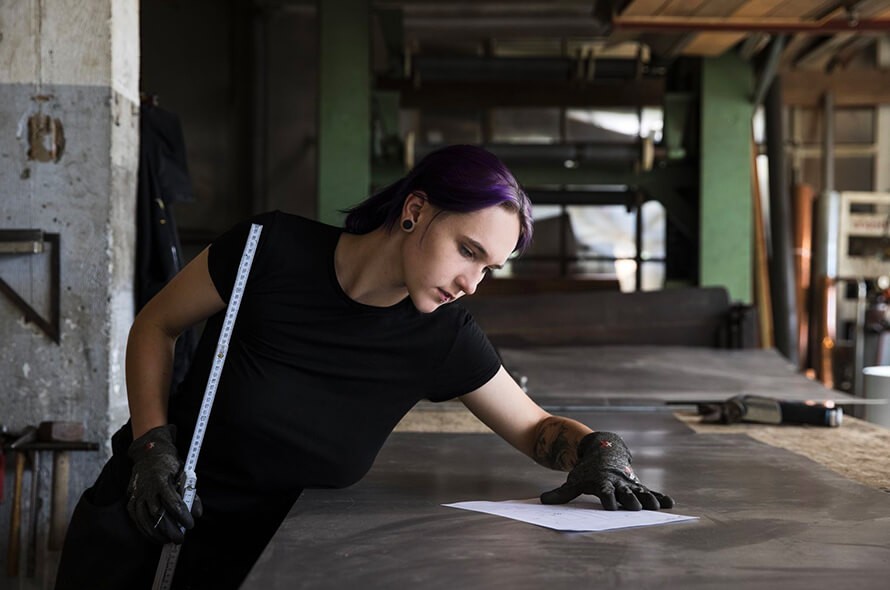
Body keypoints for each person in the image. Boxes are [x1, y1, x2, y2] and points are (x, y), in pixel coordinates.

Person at [55, 145, 672, 590]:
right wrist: (150, 445)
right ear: (416, 210)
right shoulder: (267, 251)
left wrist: (597, 450)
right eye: (467, 251)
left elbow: (537, 430)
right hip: (152, 524)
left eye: (489, 268)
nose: (471, 283)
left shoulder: (444, 336)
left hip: (271, 560)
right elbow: (154, 327)